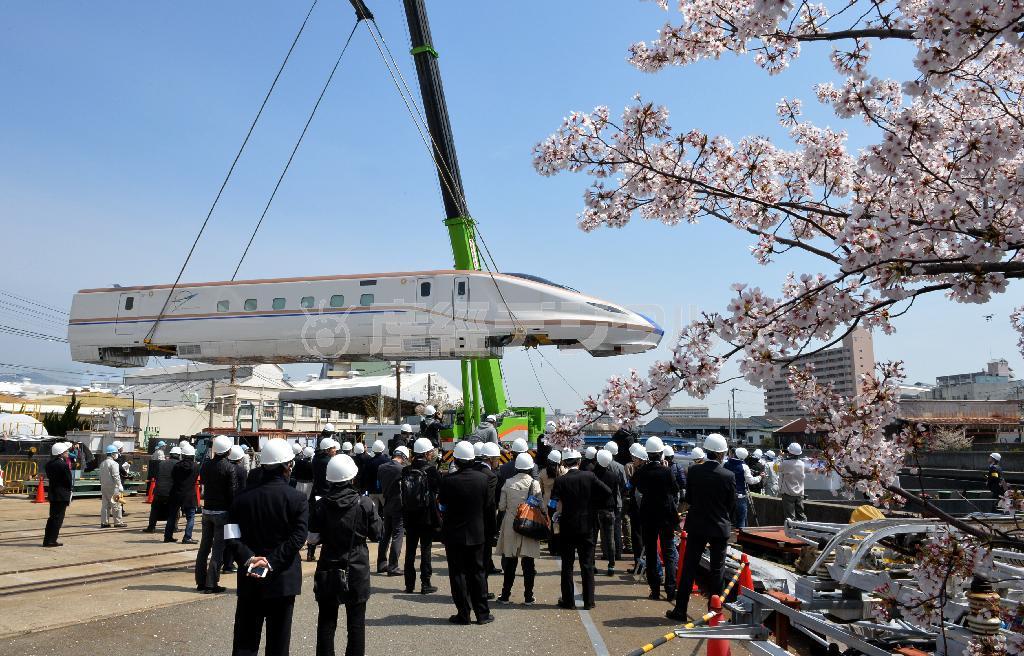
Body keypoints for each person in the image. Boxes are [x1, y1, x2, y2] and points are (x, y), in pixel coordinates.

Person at [225, 438, 309, 656]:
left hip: (249, 576)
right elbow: (298, 537)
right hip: (282, 578)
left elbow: (231, 536)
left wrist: (250, 558)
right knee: (278, 643)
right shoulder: (297, 499)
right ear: (287, 466)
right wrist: (272, 561)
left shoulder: (241, 498)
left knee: (245, 641)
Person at [310, 453, 381, 656]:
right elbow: (377, 534)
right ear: (352, 477)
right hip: (356, 565)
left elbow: (313, 539)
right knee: (356, 624)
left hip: (328, 564)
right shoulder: (364, 503)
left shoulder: (321, 504)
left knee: (326, 622)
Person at [667, 433, 735, 622]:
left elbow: (689, 499)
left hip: (697, 524)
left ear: (706, 451)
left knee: (689, 567)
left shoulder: (694, 471)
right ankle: (714, 612)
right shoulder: (728, 475)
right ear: (721, 454)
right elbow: (731, 505)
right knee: (717, 569)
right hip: (719, 527)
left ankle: (680, 610)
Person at [439, 441, 493, 624]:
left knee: (458, 574)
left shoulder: (448, 481)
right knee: (478, 573)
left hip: (454, 534)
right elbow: (488, 507)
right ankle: (483, 614)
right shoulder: (483, 479)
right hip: (477, 532)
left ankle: (463, 613)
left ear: (456, 460)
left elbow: (442, 505)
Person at [551, 449, 611, 610]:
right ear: (579, 461)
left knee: (567, 566)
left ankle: (568, 601)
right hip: (587, 526)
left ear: (564, 462)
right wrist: (592, 504)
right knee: (587, 565)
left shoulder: (560, 480)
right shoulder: (589, 476)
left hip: (567, 527)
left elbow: (552, 503)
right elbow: (607, 491)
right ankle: (589, 601)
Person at [634, 437, 680, 601]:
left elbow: (638, 487)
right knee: (668, 552)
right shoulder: (666, 471)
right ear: (661, 454)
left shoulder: (641, 471)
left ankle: (654, 589)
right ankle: (670, 589)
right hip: (665, 515)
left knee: (652, 553)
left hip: (648, 515)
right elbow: (675, 489)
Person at [496, 453, 543, 604]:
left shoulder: (508, 482)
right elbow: (540, 505)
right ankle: (528, 596)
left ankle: (505, 595)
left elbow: (501, 506)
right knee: (528, 563)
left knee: (510, 562)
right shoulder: (534, 484)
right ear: (530, 468)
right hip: (528, 523)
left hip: (511, 524)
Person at [401, 437, 442, 595]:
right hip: (426, 516)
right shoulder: (431, 471)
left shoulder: (406, 470)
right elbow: (441, 489)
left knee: (410, 550)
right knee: (425, 549)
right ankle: (426, 583)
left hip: (409, 516)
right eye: (431, 451)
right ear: (426, 453)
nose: (432, 454)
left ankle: (409, 584)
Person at [196, 435, 236, 593]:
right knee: (218, 549)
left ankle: (200, 581)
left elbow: (204, 482)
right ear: (228, 451)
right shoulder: (229, 467)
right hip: (222, 512)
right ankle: (211, 584)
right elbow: (232, 492)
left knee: (204, 547)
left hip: (207, 510)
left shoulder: (206, 465)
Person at [375, 445, 409, 575]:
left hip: (387, 501)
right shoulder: (402, 469)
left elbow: (378, 484)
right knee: (397, 534)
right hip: (398, 503)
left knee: (385, 534)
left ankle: (381, 564)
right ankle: (393, 566)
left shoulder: (381, 467)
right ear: (403, 456)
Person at [593, 449, 625, 576]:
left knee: (593, 539)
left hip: (595, 511)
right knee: (610, 539)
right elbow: (619, 490)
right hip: (609, 510)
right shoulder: (613, 476)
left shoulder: (591, 475)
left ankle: (592, 564)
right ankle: (611, 566)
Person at [308, 438, 339, 562]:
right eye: (333, 448)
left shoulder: (315, 459)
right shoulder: (329, 461)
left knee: (315, 523)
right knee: (329, 523)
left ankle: (310, 551)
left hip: (316, 493)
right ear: (327, 450)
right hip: (327, 494)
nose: (335, 450)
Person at [164, 442, 199, 544]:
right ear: (193, 455)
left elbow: (173, 477)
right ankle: (187, 537)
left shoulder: (176, 466)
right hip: (189, 495)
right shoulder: (196, 466)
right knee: (190, 517)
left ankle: (168, 536)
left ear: (182, 455)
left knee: (172, 516)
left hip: (176, 493)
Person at [223, 445, 247, 574]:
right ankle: (229, 564)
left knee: (227, 537)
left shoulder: (224, 466)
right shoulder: (242, 471)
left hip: (223, 505)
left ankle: (226, 562)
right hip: (236, 506)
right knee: (235, 537)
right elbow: (243, 489)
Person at [43, 441, 73, 547]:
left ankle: (47, 539)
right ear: (60, 453)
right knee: (58, 518)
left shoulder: (49, 464)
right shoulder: (63, 465)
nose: (68, 453)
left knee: (52, 517)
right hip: (62, 494)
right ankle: (52, 540)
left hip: (53, 493)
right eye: (66, 451)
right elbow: (68, 480)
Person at [724, 447, 761, 529]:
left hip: (728, 495)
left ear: (735, 454)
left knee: (728, 519)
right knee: (741, 520)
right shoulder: (744, 467)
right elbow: (751, 481)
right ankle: (741, 538)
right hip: (740, 495)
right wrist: (760, 477)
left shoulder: (726, 464)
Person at [624, 442, 649, 565]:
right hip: (648, 508)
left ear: (641, 460)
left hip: (637, 507)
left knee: (637, 535)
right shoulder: (653, 470)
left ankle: (638, 562)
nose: (633, 460)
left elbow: (628, 486)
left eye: (635, 458)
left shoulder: (639, 472)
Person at [145, 446, 179, 533]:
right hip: (171, 492)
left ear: (170, 454)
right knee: (175, 510)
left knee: (155, 509)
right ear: (179, 455)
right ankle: (174, 527)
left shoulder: (161, 463)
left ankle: (151, 527)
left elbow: (156, 475)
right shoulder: (178, 464)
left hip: (159, 491)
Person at [603, 441, 628, 560]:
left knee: (604, 529)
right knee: (617, 528)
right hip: (617, 501)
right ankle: (618, 553)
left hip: (603, 502)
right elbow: (625, 485)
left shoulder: (600, 466)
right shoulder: (620, 467)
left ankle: (606, 553)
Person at [99, 444, 126, 528]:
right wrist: (120, 485)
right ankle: (118, 522)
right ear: (112, 454)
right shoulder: (114, 464)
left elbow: (100, 476)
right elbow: (116, 476)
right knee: (116, 505)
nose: (117, 454)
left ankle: (104, 522)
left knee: (105, 505)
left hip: (104, 486)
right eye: (116, 453)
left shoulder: (102, 463)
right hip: (113, 487)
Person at [780, 443, 807, 521]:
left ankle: (792, 531)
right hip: (800, 494)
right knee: (801, 515)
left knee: (790, 517)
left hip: (788, 493)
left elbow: (776, 468)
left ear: (790, 453)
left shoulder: (785, 463)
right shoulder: (802, 464)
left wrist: (780, 456)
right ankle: (804, 530)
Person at [364, 441, 389, 510]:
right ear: (383, 449)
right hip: (383, 490)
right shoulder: (387, 461)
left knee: (374, 513)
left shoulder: (369, 462)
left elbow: (366, 477)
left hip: (372, 490)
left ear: (373, 450)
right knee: (386, 510)